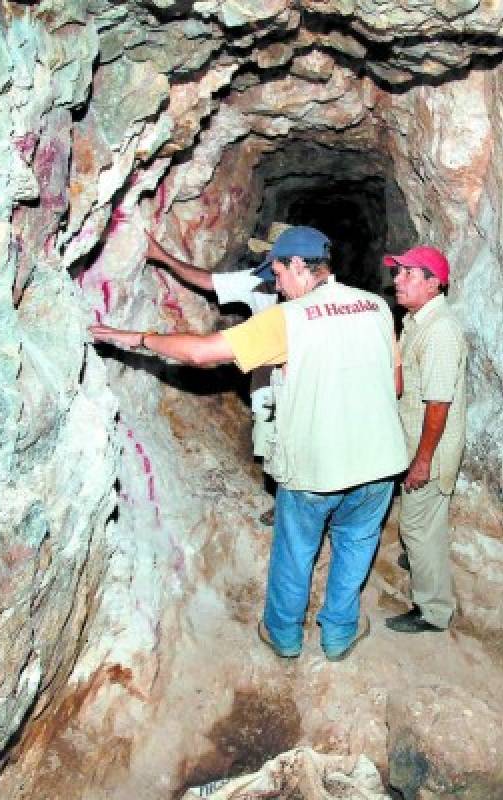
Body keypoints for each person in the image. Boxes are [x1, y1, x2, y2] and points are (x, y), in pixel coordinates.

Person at [90, 226, 408, 661]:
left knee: (296, 552)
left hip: (318, 468)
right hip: (380, 463)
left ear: (299, 266)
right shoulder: (376, 306)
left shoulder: (288, 319)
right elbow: (394, 383)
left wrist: (133, 338)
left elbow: (201, 353)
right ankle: (338, 634)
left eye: (277, 273)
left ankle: (284, 635)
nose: (275, 285)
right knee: (355, 547)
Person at [145, 223, 290, 525]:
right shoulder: (258, 281)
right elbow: (208, 281)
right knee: (271, 443)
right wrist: (164, 258)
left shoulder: (316, 300)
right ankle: (284, 505)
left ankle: (308, 507)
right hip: (268, 383)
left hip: (305, 381)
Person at [383, 246, 468, 635]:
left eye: (407, 274)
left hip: (429, 453)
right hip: (415, 443)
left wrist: (421, 462)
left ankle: (434, 610)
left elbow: (438, 405)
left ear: (433, 284)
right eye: (397, 273)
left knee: (419, 527)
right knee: (421, 526)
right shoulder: (417, 321)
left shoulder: (440, 333)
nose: (397, 280)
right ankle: (422, 563)